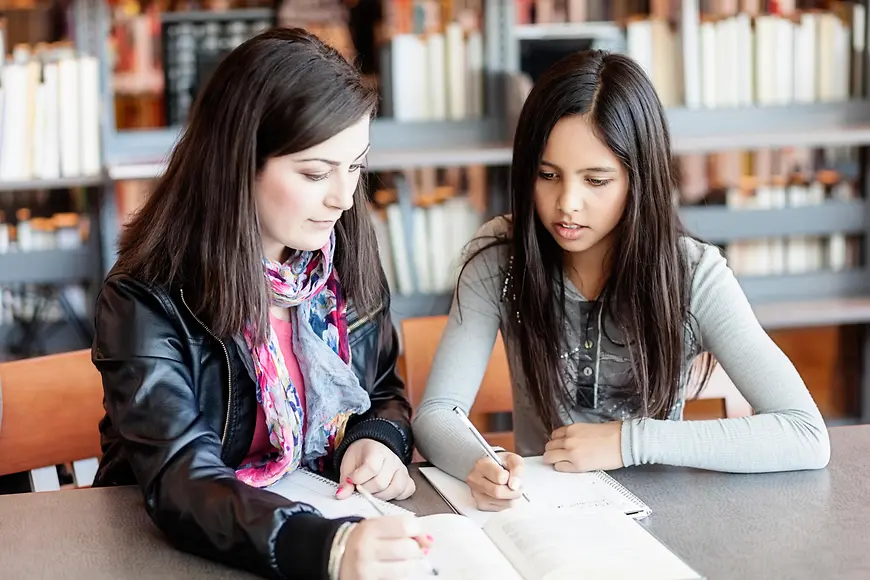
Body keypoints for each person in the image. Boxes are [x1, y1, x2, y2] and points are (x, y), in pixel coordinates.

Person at [412, 49, 831, 512]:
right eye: (548, 175)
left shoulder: (692, 274)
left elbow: (804, 433)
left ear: (639, 179)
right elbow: (436, 414)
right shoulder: (503, 255)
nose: (566, 203)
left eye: (595, 180)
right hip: (544, 513)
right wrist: (481, 463)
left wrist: (629, 441)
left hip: (665, 518)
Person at [91, 28, 430, 580]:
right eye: (316, 173)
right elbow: (182, 477)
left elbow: (383, 390)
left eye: (357, 167)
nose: (343, 198)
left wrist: (379, 440)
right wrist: (329, 547)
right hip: (175, 554)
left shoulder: (341, 256)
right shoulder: (143, 298)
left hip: (327, 518)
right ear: (239, 163)